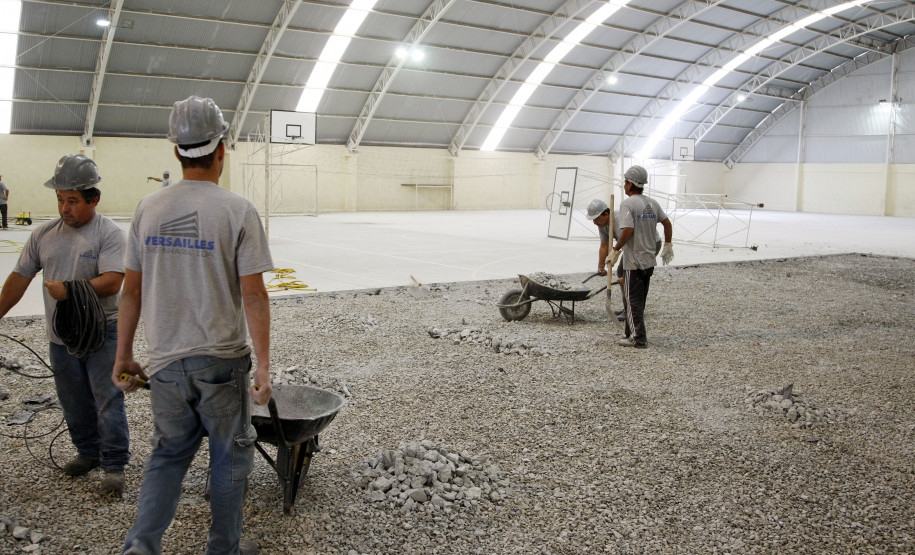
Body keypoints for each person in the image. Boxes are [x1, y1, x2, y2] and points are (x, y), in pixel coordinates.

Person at [114, 95, 273, 555]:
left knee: (167, 455)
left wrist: (123, 355)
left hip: (165, 363)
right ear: (221, 148)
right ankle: (223, 548)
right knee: (228, 459)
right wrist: (263, 365)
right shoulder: (237, 210)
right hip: (222, 363)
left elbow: (131, 291)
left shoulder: (148, 208)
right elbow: (254, 294)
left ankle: (140, 548)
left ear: (177, 151)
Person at [0, 154, 130, 494]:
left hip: (103, 333)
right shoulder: (43, 235)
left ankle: (114, 464)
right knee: (72, 398)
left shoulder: (110, 233)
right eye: (60, 200)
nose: (64, 208)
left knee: (107, 398)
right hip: (62, 338)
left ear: (93, 198)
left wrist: (69, 290)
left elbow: (114, 280)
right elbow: (18, 278)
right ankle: (88, 452)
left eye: (72, 201)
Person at [605, 165, 673, 348]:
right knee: (638, 300)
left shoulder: (627, 204)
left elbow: (628, 230)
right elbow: (667, 223)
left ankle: (638, 339)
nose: (624, 185)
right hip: (649, 260)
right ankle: (630, 333)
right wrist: (667, 245)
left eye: (625, 182)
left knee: (631, 300)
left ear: (629, 184)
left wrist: (616, 249)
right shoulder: (652, 203)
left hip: (633, 262)